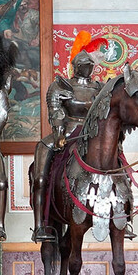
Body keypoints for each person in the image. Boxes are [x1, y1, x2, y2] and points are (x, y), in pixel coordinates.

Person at [29, 31, 105, 243]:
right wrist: (59, 132)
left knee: (118, 162)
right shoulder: (61, 86)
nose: (87, 68)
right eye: (84, 65)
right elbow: (56, 112)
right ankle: (39, 225)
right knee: (40, 175)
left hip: (92, 135)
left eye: (90, 65)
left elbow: (104, 114)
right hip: (67, 133)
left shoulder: (99, 88)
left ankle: (122, 215)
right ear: (75, 66)